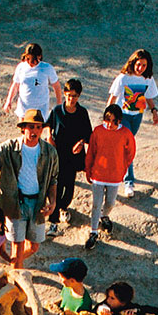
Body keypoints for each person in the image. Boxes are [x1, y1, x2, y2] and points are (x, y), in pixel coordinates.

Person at [0, 109, 59, 270]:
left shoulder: (50, 152)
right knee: (18, 246)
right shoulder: (8, 148)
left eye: (38, 127)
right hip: (15, 204)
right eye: (31, 127)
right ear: (23, 128)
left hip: (38, 204)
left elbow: (53, 179)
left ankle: (14, 263)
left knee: (34, 246)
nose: (34, 131)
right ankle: (16, 281)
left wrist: (53, 201)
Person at [82, 103, 136, 250]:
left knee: (110, 202)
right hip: (98, 175)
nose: (110, 124)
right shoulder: (98, 131)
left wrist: (123, 166)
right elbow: (91, 152)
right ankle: (93, 232)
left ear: (120, 121)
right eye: (107, 119)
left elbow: (131, 152)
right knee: (96, 204)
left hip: (114, 176)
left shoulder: (125, 133)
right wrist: (88, 170)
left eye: (114, 121)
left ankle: (104, 217)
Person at [107, 48, 158, 196]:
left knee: (123, 147)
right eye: (138, 64)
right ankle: (129, 182)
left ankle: (117, 167)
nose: (140, 68)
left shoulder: (147, 79)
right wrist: (107, 117)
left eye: (144, 65)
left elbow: (148, 96)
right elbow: (112, 97)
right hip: (122, 116)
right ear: (133, 63)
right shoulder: (123, 78)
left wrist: (154, 111)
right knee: (128, 145)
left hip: (137, 116)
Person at [44, 78, 92, 237]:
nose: (72, 99)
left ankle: (62, 207)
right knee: (56, 188)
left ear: (79, 96)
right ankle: (53, 222)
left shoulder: (82, 113)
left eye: (75, 96)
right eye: (69, 95)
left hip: (73, 157)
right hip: (57, 156)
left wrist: (81, 143)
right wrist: (49, 137)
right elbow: (48, 124)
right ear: (64, 94)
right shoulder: (57, 111)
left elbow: (88, 134)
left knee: (69, 190)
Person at [3, 42, 64, 118]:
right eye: (27, 59)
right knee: (23, 129)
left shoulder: (47, 68)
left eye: (32, 60)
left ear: (39, 57)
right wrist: (8, 101)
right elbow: (15, 85)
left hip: (41, 108)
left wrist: (59, 104)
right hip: (24, 106)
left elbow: (56, 86)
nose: (29, 62)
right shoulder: (21, 67)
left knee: (37, 129)